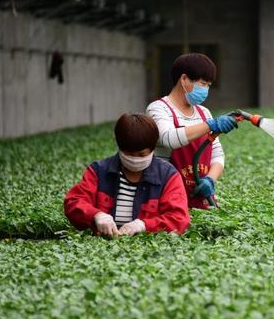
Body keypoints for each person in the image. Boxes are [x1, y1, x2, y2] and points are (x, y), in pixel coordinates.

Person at [64, 113, 190, 236]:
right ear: (120, 147)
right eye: (129, 153)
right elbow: (73, 202)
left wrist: (144, 225)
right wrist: (96, 215)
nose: (135, 159)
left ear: (152, 149)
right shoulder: (98, 171)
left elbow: (178, 218)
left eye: (142, 154)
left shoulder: (168, 176)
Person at [146, 53, 238, 209]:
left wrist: (210, 179)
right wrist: (211, 125)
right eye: (203, 83)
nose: (206, 89)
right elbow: (168, 138)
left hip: (200, 198)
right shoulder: (158, 108)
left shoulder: (204, 113)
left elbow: (217, 154)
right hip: (167, 195)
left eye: (209, 85)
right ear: (184, 79)